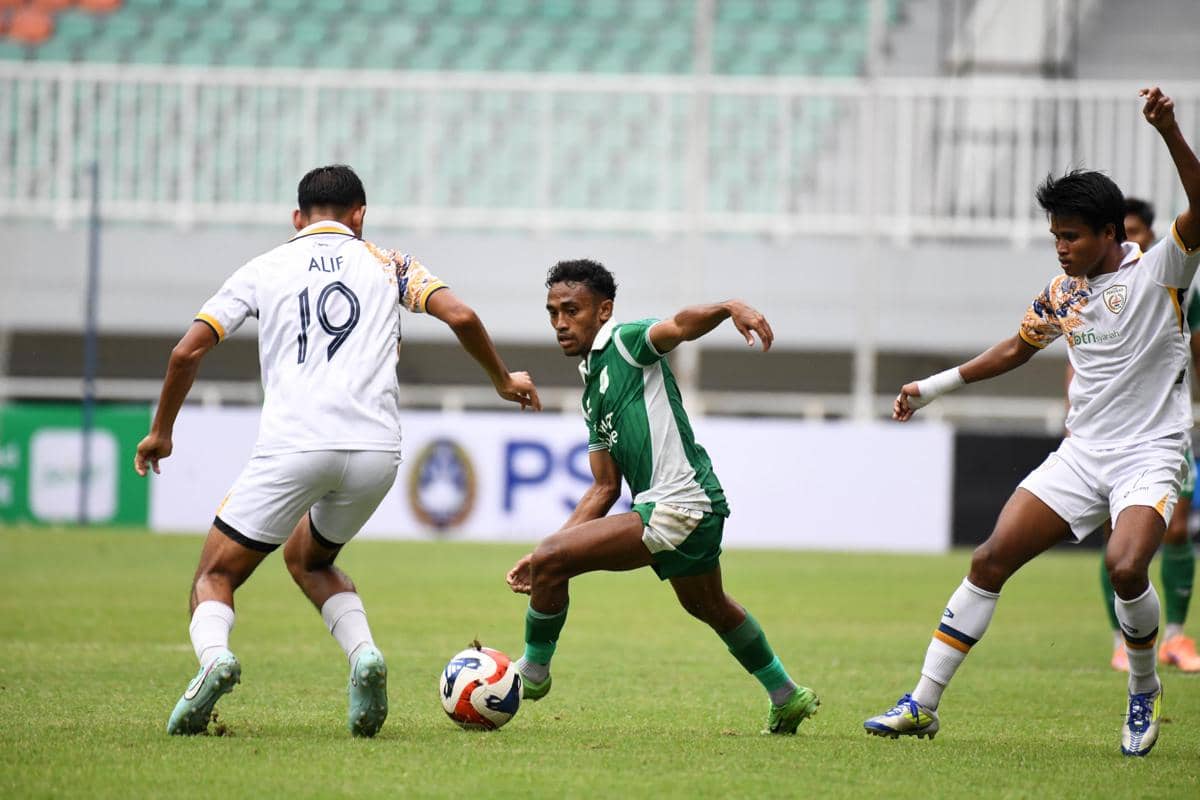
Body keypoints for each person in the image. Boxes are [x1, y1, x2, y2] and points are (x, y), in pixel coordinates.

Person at [135, 165, 541, 737]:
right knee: (308, 558)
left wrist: (162, 432)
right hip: (377, 451)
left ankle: (214, 660)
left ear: (298, 218)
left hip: (293, 446)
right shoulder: (390, 263)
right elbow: (463, 316)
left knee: (214, 574)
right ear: (359, 215)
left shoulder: (264, 267)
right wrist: (501, 381)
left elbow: (186, 353)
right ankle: (363, 656)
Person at [862, 87, 1200, 756]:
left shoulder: (1161, 270)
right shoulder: (1062, 292)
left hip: (1150, 452)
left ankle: (1141, 692)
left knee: (1126, 567)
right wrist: (932, 388)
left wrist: (1168, 131)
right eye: (1054, 236)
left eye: (1071, 236)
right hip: (1083, 453)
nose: (1060, 248)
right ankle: (922, 704)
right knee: (990, 558)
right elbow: (1018, 348)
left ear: (1111, 233)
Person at [504, 259, 819, 734]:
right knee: (707, 605)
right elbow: (605, 487)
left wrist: (729, 306)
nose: (560, 323)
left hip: (679, 504)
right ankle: (786, 694)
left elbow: (679, 327)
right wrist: (544, 554)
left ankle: (532, 674)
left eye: (572, 310)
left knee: (556, 557)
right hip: (686, 505)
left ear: (603, 310)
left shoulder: (627, 342)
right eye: (552, 312)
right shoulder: (592, 387)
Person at [1073, 198, 1200, 673]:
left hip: (1163, 432)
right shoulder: (1085, 290)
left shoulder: (1170, 281)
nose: (1132, 239)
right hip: (1104, 436)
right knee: (1117, 546)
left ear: (1149, 233)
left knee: (1179, 527)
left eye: (1137, 231)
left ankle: (1176, 637)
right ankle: (1121, 642)